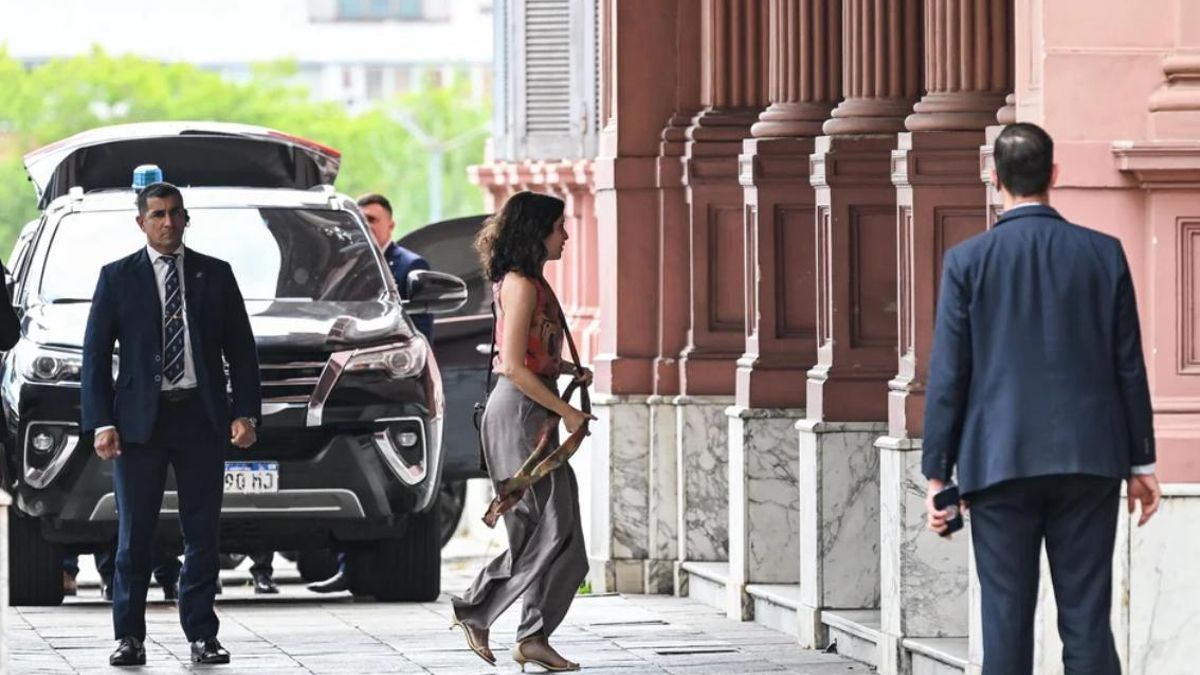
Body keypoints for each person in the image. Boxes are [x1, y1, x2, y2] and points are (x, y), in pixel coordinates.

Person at [921, 123, 1161, 675]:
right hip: (1089, 460)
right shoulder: (1103, 254)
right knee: (1087, 621)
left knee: (1005, 623)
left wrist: (937, 474)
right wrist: (1141, 462)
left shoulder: (967, 261)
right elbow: (1127, 364)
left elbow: (950, 373)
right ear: (1054, 174)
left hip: (998, 462)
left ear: (994, 177)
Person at [81, 182, 261, 667]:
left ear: (186, 218)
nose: (168, 222)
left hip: (201, 418)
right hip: (140, 424)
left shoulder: (215, 275)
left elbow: (241, 350)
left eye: (175, 213)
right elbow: (95, 357)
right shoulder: (117, 278)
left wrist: (245, 412)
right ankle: (128, 636)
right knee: (134, 534)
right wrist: (100, 422)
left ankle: (202, 634)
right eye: (158, 214)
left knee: (202, 533)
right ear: (141, 222)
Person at [449, 191, 592, 672]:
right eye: (559, 227)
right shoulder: (521, 285)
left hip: (534, 408)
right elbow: (511, 366)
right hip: (520, 414)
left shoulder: (531, 282)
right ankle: (477, 608)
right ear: (537, 232)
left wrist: (567, 369)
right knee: (547, 530)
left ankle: (532, 635)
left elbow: (530, 354)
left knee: (564, 540)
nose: (566, 236)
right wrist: (567, 411)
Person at [307, 192, 433, 595]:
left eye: (374, 219)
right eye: (362, 219)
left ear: (391, 225)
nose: (368, 225)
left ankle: (362, 569)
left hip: (385, 383)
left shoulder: (410, 266)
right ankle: (347, 568)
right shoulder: (343, 265)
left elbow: (419, 332)